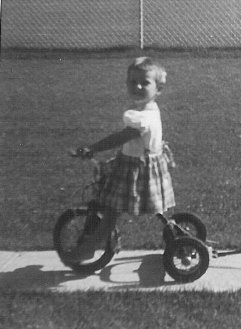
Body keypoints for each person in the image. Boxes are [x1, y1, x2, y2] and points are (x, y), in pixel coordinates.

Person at [65, 57, 176, 261]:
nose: (138, 86)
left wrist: (94, 147)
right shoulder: (147, 109)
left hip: (136, 170)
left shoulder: (143, 117)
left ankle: (91, 246)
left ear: (158, 88)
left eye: (145, 83)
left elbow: (122, 137)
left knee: (111, 209)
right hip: (132, 163)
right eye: (133, 82)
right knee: (109, 201)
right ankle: (104, 240)